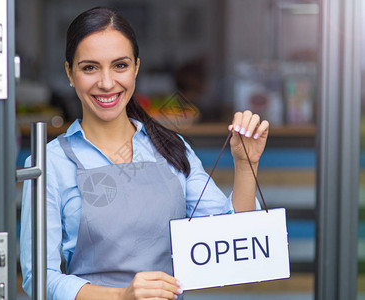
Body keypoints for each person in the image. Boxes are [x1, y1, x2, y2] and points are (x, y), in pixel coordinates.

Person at [20, 6, 269, 300]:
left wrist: (245, 165)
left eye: (120, 65)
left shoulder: (172, 148)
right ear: (70, 73)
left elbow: (232, 240)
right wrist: (122, 296)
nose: (107, 82)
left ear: (136, 67)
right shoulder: (50, 163)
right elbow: (38, 278)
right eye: (90, 67)